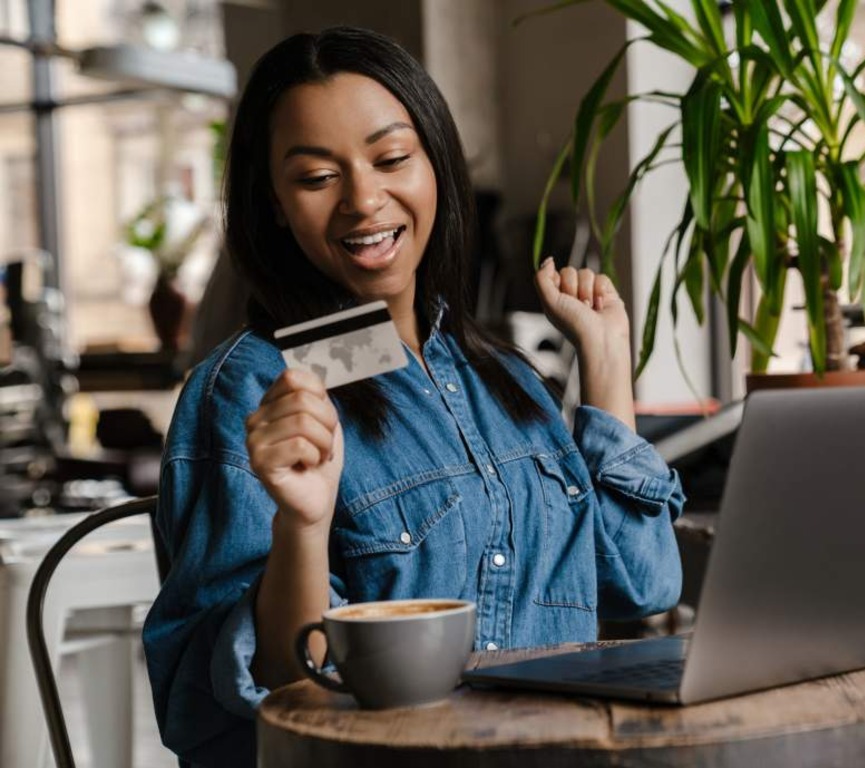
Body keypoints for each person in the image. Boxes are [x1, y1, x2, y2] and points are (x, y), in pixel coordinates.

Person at [142, 26, 684, 768]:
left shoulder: (508, 378)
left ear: (436, 166)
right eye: (314, 177)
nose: (364, 201)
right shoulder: (253, 388)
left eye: (392, 158)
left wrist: (609, 372)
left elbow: (640, 586)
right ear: (272, 203)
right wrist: (303, 527)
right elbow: (270, 686)